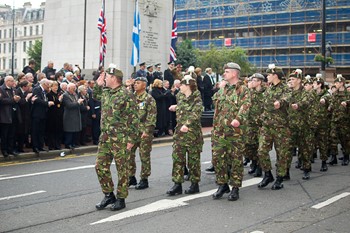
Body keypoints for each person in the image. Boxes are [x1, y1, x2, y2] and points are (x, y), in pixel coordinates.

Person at [94, 64, 139, 211]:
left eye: (106, 76)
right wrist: (98, 85)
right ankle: (108, 195)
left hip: (121, 139)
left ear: (113, 78)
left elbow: (134, 119)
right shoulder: (106, 92)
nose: (104, 79)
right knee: (100, 166)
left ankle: (121, 198)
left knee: (122, 170)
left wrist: (132, 140)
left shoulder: (126, 94)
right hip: (105, 138)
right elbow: (95, 96)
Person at [211, 62, 250, 201]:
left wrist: (238, 119)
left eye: (226, 72)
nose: (224, 74)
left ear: (234, 73)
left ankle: (235, 187)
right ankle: (222, 185)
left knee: (235, 160)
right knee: (218, 159)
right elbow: (214, 102)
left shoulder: (243, 89)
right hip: (220, 131)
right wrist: (219, 90)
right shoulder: (224, 88)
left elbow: (245, 106)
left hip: (235, 131)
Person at [166, 75, 203, 195]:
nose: (179, 86)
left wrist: (187, 124)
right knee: (177, 158)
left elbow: (196, 112)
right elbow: (183, 107)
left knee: (193, 160)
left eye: (181, 85)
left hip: (192, 134)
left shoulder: (197, 97)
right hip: (180, 134)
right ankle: (177, 184)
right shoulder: (179, 96)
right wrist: (176, 107)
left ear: (188, 86)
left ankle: (194, 184)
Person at [257, 64, 291, 190]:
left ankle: (280, 178)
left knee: (281, 153)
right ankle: (267, 174)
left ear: (275, 75)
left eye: (269, 75)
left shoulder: (285, 89)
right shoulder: (268, 89)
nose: (267, 77)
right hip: (267, 126)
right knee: (261, 151)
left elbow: (287, 98)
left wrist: (280, 102)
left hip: (280, 127)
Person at [129, 77, 157, 190]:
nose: (135, 84)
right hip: (132, 132)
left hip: (144, 132)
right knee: (129, 155)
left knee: (144, 156)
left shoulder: (148, 99)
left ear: (144, 85)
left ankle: (144, 179)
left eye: (138, 83)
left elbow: (152, 116)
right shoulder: (131, 97)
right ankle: (131, 177)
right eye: (135, 83)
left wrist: (147, 131)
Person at [245, 73, 266, 177]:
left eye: (254, 80)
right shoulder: (249, 92)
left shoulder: (265, 93)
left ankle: (259, 166)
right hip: (250, 124)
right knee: (249, 146)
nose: (251, 82)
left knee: (259, 146)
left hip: (261, 125)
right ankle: (253, 162)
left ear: (259, 82)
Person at [328, 74, 350, 166]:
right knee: (332, 138)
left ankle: (346, 156)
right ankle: (334, 157)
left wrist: (347, 103)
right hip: (334, 119)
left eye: (337, 82)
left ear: (342, 83)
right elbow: (332, 103)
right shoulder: (335, 93)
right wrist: (329, 107)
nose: (336, 84)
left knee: (344, 139)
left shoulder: (347, 94)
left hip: (344, 120)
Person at [0, 76, 21, 158]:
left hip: (13, 114)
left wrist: (17, 99)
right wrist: (13, 99)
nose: (13, 82)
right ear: (7, 81)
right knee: (4, 135)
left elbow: (16, 100)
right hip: (5, 115)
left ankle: (10, 149)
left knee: (12, 134)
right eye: (12, 81)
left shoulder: (14, 90)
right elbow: (1, 100)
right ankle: (4, 150)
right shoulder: (1, 89)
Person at [31, 78, 54, 153]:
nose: (49, 87)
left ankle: (40, 146)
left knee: (41, 131)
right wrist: (47, 103)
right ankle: (35, 147)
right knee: (35, 131)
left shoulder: (44, 91)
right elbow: (37, 100)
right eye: (48, 85)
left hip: (43, 114)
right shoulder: (36, 89)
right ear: (44, 84)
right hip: (37, 114)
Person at [62, 83, 84, 149]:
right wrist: (78, 102)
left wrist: (79, 102)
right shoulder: (65, 95)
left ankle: (73, 143)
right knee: (69, 131)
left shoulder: (75, 94)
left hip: (76, 114)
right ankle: (68, 144)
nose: (74, 90)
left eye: (75, 88)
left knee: (75, 130)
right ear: (68, 89)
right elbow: (69, 105)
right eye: (73, 89)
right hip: (69, 115)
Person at [46, 81, 64, 150]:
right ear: (51, 87)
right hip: (52, 115)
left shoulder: (58, 94)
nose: (56, 88)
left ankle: (57, 144)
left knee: (58, 130)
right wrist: (58, 100)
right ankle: (51, 145)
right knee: (52, 131)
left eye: (56, 86)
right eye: (54, 86)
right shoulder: (49, 95)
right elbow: (53, 103)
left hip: (59, 115)